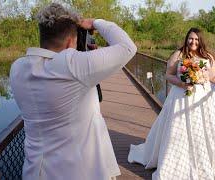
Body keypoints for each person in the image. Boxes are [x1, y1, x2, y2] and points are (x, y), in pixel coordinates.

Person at [10, 3, 137, 180]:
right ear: (71, 41)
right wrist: (95, 22)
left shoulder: (17, 68)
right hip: (78, 171)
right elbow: (128, 47)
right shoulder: (72, 65)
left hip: (34, 170)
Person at [128, 27, 215, 179]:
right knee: (177, 131)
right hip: (181, 97)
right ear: (187, 39)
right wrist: (183, 83)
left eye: (196, 39)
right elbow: (168, 75)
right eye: (191, 38)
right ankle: (175, 164)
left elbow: (213, 77)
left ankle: (199, 164)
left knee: (200, 133)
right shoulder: (178, 54)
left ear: (200, 41)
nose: (193, 42)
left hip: (202, 100)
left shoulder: (208, 57)